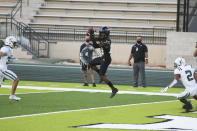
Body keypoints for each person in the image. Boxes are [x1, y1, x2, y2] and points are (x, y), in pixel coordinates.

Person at [88, 26, 118, 98]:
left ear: (106, 34)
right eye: (101, 33)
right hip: (103, 58)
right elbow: (92, 39)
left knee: (102, 75)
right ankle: (101, 75)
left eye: (103, 33)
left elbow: (95, 45)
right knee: (90, 64)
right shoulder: (103, 38)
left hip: (106, 59)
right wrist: (91, 34)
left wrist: (92, 37)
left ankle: (114, 89)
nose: (101, 34)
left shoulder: (107, 40)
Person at [0, 36, 21, 101]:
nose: (15, 44)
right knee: (16, 79)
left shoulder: (9, 49)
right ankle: (12, 96)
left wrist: (12, 60)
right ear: (10, 42)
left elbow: (6, 60)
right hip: (2, 69)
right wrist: (4, 54)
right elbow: (1, 54)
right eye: (14, 43)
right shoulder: (5, 48)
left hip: (2, 68)